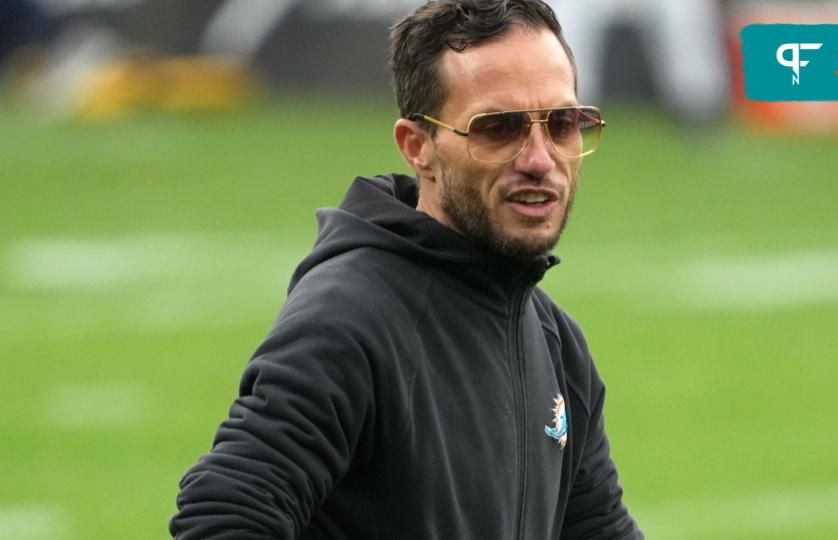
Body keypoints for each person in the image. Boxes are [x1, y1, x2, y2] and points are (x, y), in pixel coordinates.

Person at [170, 0, 643, 538]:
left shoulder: (554, 340)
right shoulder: (350, 319)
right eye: (498, 129)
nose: (539, 158)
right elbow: (224, 515)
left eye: (561, 124)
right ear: (417, 147)